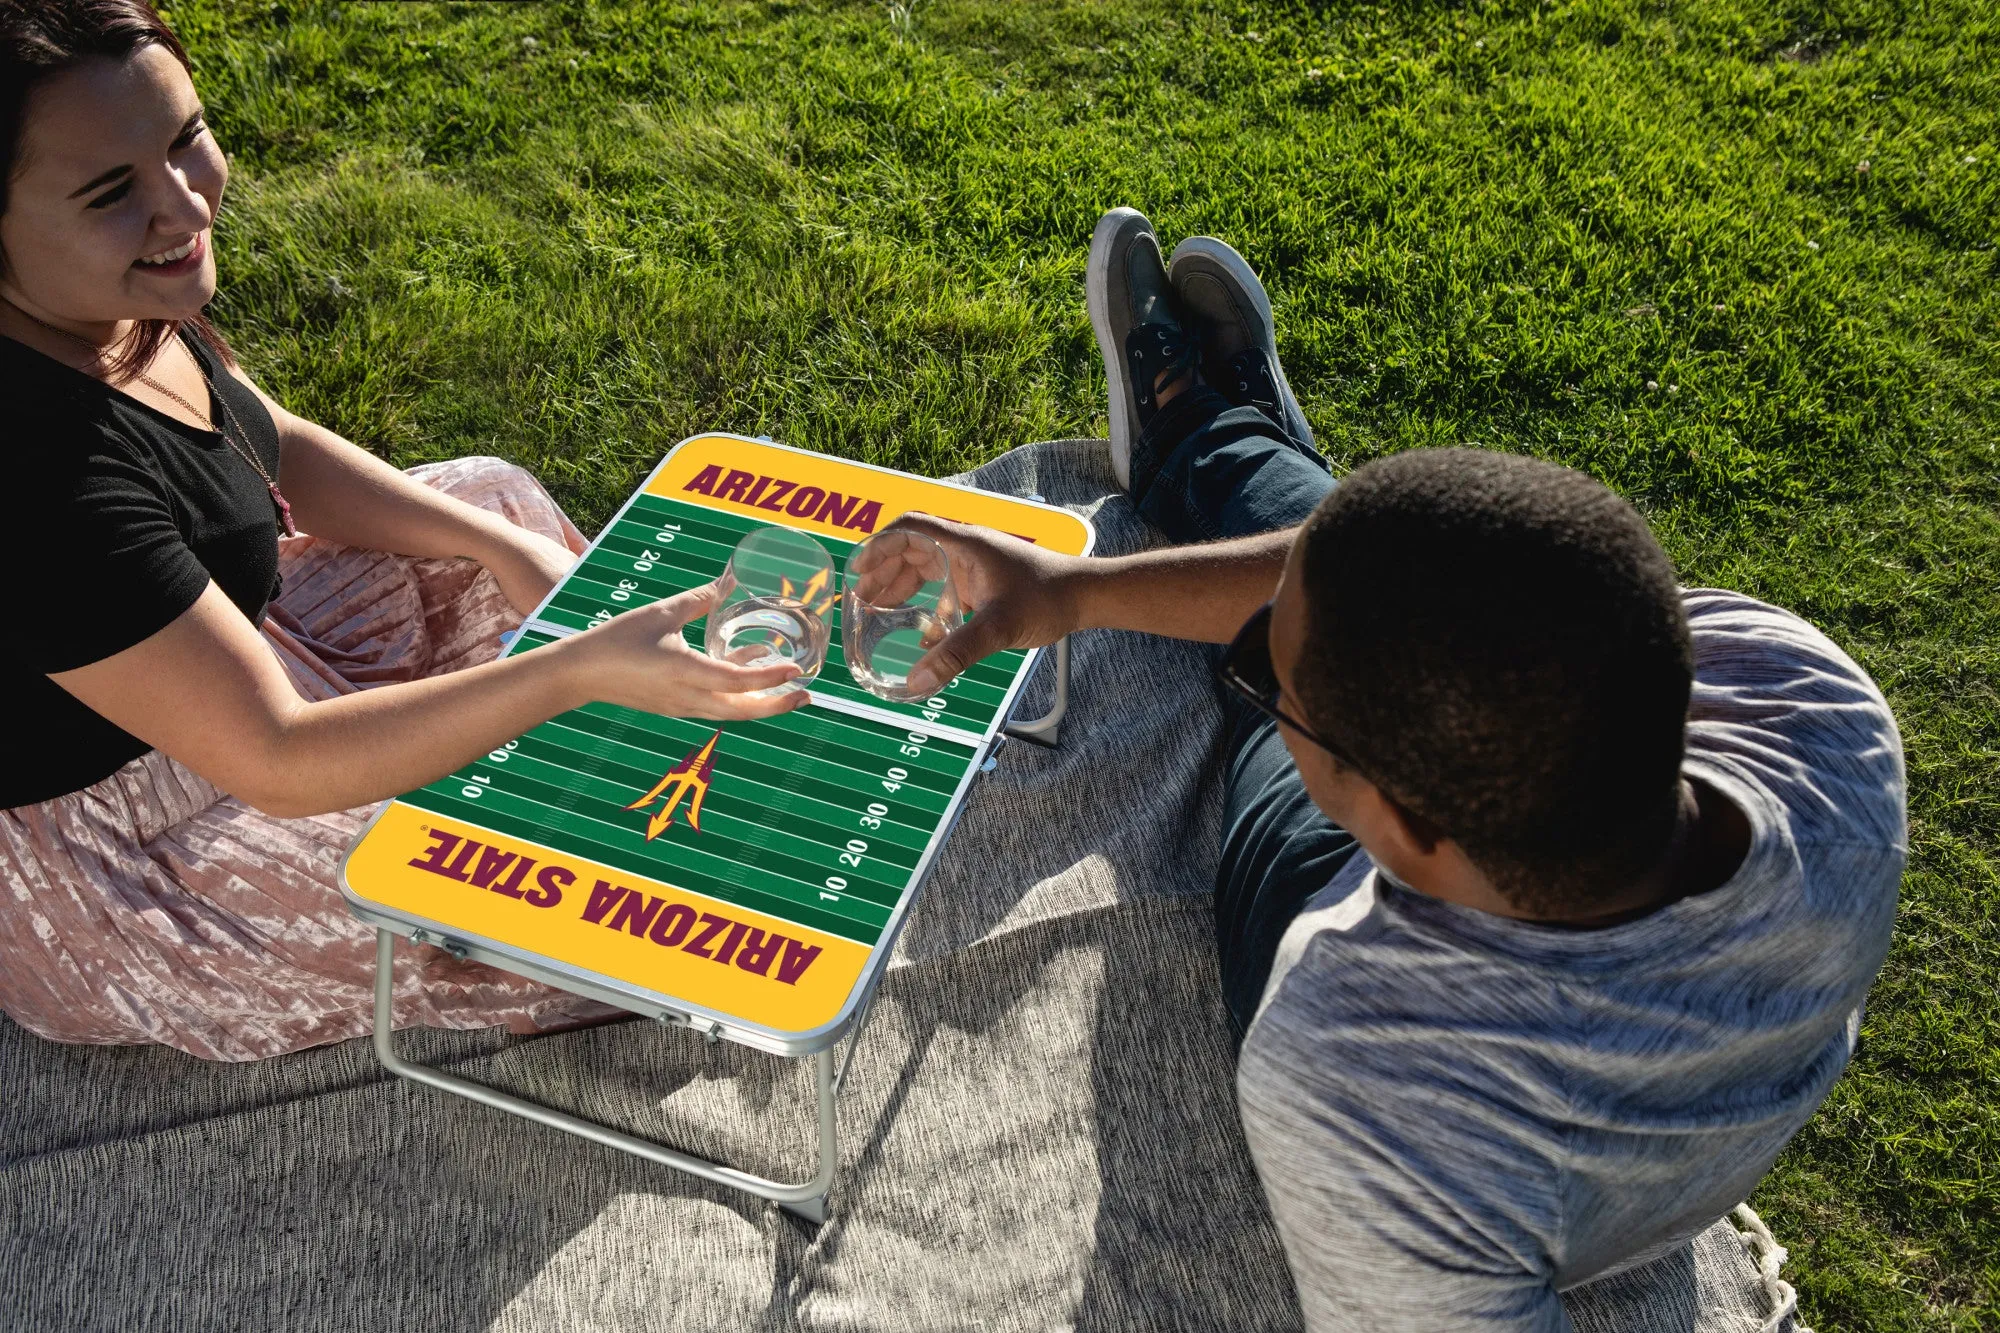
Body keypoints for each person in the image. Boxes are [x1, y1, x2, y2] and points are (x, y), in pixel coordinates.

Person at [891, 207, 1905, 1329]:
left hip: (1349, 929)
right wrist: (1069, 593)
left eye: (1272, 690)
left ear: (1398, 825)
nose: (1260, 691)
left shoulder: (1361, 1072)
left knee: (1294, 690)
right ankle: (1230, 450)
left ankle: (1215, 445)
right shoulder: (1811, 701)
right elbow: (1444, 588)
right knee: (1376, 573)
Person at [0, 0, 803, 1061]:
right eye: (112, 192)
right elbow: (278, 758)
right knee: (574, 896)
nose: (185, 200)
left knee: (488, 499)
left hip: (241, 662)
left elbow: (264, 440)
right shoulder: (36, 469)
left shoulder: (103, 302)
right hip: (136, 856)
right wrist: (571, 671)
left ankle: (623, 711)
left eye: (185, 136)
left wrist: (500, 549)